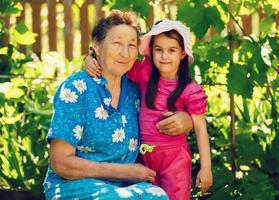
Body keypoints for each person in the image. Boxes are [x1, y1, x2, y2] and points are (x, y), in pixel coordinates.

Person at [43, 11, 193, 200]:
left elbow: (173, 94)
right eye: (117, 43)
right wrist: (125, 172)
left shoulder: (137, 89)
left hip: (124, 187)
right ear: (96, 46)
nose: (125, 52)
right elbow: (60, 163)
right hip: (74, 185)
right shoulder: (76, 89)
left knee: (158, 196)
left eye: (131, 45)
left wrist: (187, 120)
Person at [86, 19, 213, 200]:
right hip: (144, 156)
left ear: (183, 53)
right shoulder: (144, 73)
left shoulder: (190, 90)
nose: (164, 56)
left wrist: (206, 168)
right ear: (151, 51)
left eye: (172, 50)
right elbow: (115, 64)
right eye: (158, 49)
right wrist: (90, 58)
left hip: (175, 159)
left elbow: (201, 129)